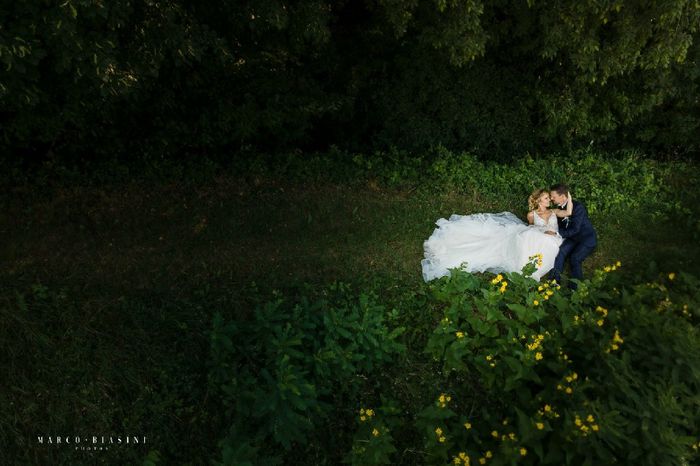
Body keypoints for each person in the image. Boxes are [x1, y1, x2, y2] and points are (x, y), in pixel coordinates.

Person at [421, 189, 572, 282]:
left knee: (547, 244)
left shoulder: (553, 212)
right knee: (529, 237)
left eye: (549, 198)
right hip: (538, 234)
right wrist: (542, 231)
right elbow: (532, 227)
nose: (549, 200)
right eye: (546, 198)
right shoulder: (531, 214)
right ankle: (525, 265)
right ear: (538, 200)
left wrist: (568, 197)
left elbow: (568, 212)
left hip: (554, 237)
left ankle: (531, 267)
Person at [549, 183, 597, 289]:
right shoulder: (559, 208)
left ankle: (575, 288)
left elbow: (575, 229)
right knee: (561, 252)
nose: (551, 198)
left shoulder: (578, 207)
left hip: (586, 238)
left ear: (562, 196)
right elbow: (561, 225)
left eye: (553, 196)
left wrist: (557, 233)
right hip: (572, 238)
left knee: (575, 258)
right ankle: (554, 281)